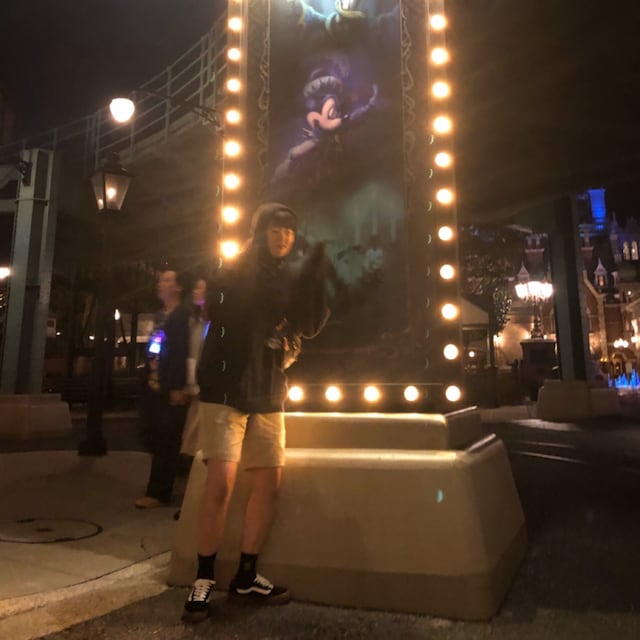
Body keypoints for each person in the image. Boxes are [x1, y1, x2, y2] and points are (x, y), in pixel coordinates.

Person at [182, 202, 330, 623]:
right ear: (260, 232)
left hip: (268, 390)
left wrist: (315, 279)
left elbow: (309, 324)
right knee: (220, 485)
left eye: (290, 231)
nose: (283, 237)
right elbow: (222, 311)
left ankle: (246, 575)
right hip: (225, 389)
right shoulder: (235, 271)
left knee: (269, 484)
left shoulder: (291, 277)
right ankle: (203, 577)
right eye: (275, 229)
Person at [135, 269, 191, 509]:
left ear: (178, 287)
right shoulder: (160, 315)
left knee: (167, 438)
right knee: (153, 434)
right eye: (160, 280)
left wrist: (178, 386)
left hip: (170, 386)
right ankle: (170, 483)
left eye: (167, 280)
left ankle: (159, 492)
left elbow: (182, 352)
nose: (161, 284)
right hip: (154, 383)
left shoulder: (183, 316)